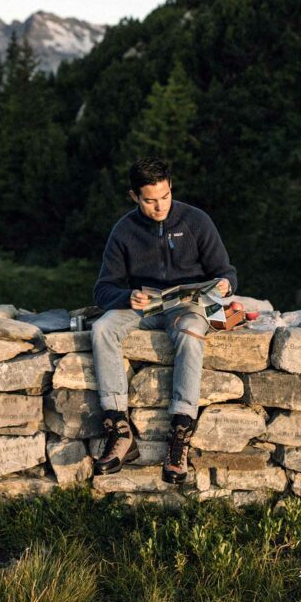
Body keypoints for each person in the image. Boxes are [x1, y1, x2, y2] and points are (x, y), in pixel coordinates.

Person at [90, 157, 237, 484]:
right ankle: (120, 429)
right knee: (101, 329)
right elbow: (102, 289)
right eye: (150, 200)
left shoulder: (196, 221)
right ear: (134, 196)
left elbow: (225, 272)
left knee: (190, 331)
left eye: (165, 196)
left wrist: (226, 284)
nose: (160, 207)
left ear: (171, 188)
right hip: (142, 306)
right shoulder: (124, 231)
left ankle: (181, 433)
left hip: (185, 307)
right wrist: (125, 297)